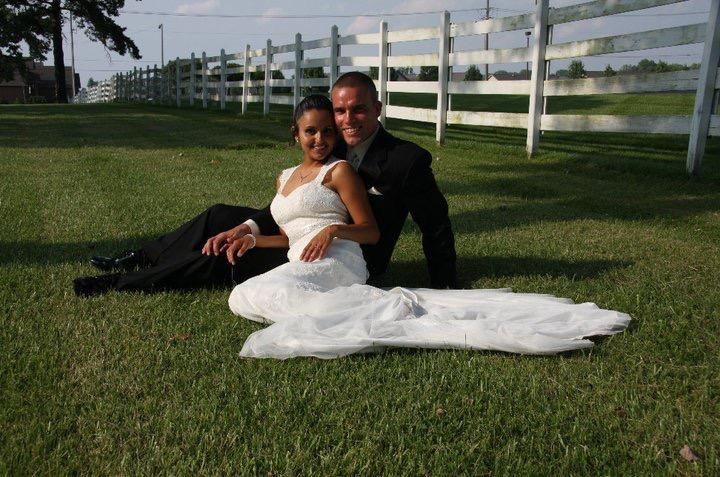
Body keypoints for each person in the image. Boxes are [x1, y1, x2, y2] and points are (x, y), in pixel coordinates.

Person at [228, 94, 631, 359]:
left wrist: (335, 232)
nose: (322, 137)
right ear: (295, 134)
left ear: (375, 109)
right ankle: (365, 306)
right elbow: (291, 232)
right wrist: (253, 237)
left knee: (263, 293)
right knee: (245, 296)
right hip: (303, 259)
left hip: (340, 256)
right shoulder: (285, 176)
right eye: (312, 130)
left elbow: (407, 226)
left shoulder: (356, 166)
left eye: (327, 130)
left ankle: (381, 306)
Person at [73, 71, 456, 297]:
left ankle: (124, 282)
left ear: (377, 108)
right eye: (340, 110)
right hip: (301, 231)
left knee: (227, 255)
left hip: (342, 255)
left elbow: (435, 224)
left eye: (357, 108)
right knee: (220, 216)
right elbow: (296, 204)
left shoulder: (407, 159)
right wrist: (248, 225)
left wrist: (444, 286)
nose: (347, 119)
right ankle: (141, 256)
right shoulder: (330, 141)